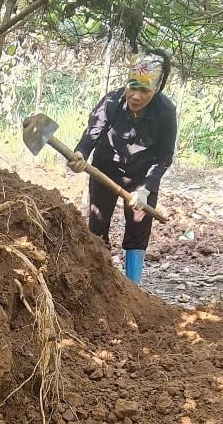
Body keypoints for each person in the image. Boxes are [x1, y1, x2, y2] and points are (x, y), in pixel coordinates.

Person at [68, 49, 177, 285]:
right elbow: (92, 134)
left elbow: (165, 156)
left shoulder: (165, 112)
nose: (136, 96)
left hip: (142, 177)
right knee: (97, 224)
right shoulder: (111, 102)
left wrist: (146, 189)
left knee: (139, 227)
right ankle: (97, 282)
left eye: (144, 90)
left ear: (157, 89)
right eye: (132, 86)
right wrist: (81, 154)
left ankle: (132, 288)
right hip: (106, 169)